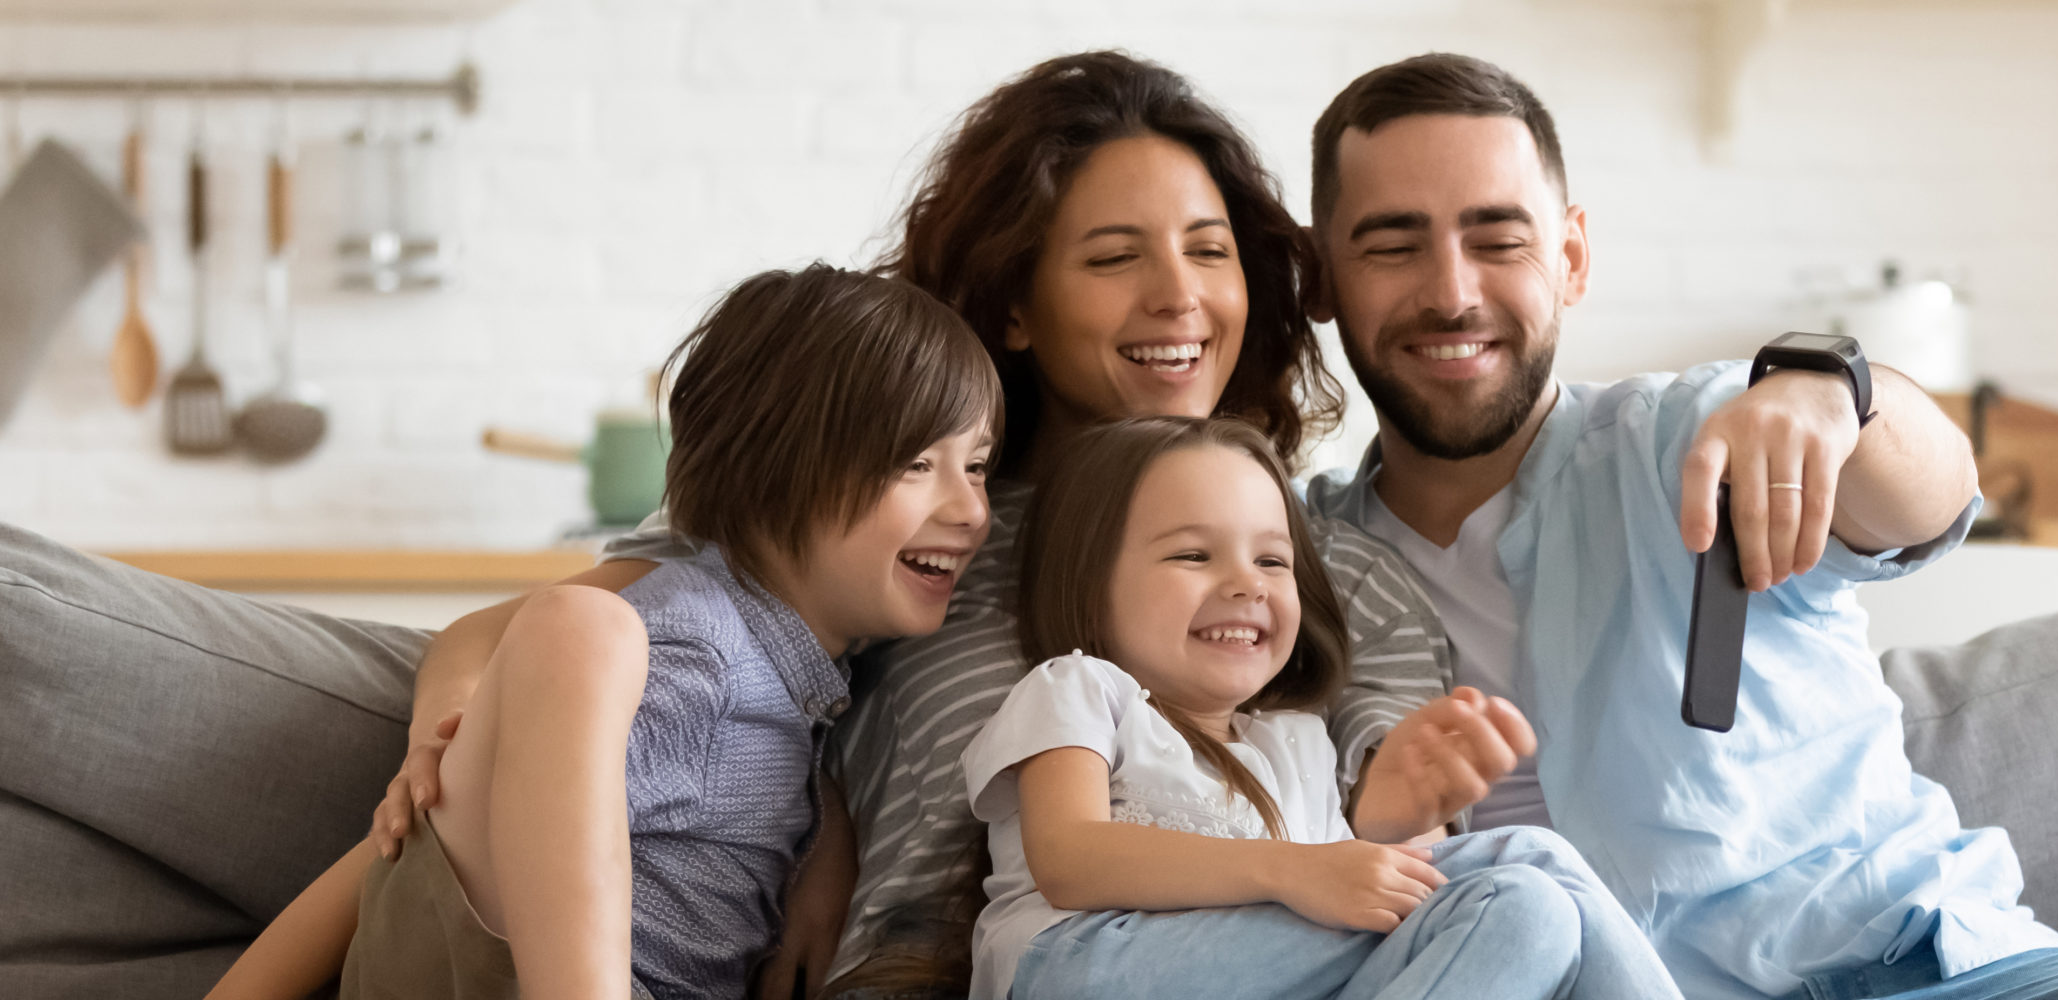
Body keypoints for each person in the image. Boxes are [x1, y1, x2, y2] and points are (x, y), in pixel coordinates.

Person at [364, 52, 1501, 999]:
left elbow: (1385, 852)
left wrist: (1400, 802)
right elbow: (569, 631)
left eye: (1211, 252)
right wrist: (821, 818)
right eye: (1114, 258)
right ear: (1014, 302)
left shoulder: (1324, 574)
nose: (1180, 297)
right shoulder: (906, 523)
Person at [1294, 53, 2058, 999]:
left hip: (1927, 966)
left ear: (1572, 257)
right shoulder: (1289, 569)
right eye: (1393, 244)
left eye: (1497, 239)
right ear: (1322, 279)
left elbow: (1929, 499)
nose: (1451, 292)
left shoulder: (1690, 430)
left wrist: (1835, 393)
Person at [205, 266, 1002, 1000]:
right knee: (581, 627)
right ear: (773, 465)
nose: (970, 511)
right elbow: (405, 850)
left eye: (977, 466)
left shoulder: (792, 688)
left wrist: (827, 831)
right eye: (916, 465)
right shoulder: (694, 646)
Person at [963, 416, 1677, 1000]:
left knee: (1532, 907)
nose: (1248, 583)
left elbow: (1377, 903)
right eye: (1192, 556)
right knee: (1526, 868)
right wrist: (1293, 870)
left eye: (1273, 561)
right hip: (1081, 964)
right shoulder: (1081, 688)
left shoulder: (1298, 744)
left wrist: (1394, 826)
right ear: (1090, 583)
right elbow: (1068, 858)